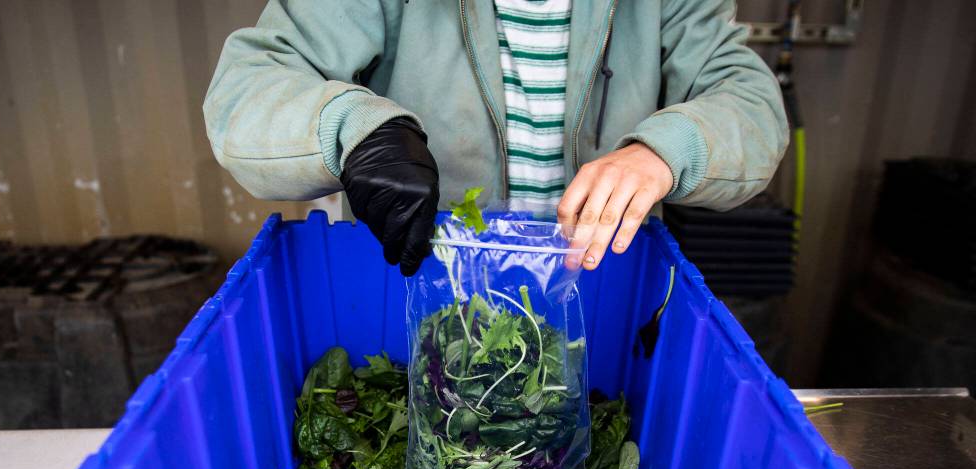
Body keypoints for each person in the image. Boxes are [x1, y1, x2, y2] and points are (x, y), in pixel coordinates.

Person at [204, 1, 788, 276]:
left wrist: (666, 149)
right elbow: (246, 89)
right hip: (415, 287)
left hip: (597, 300)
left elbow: (751, 103)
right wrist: (355, 131)